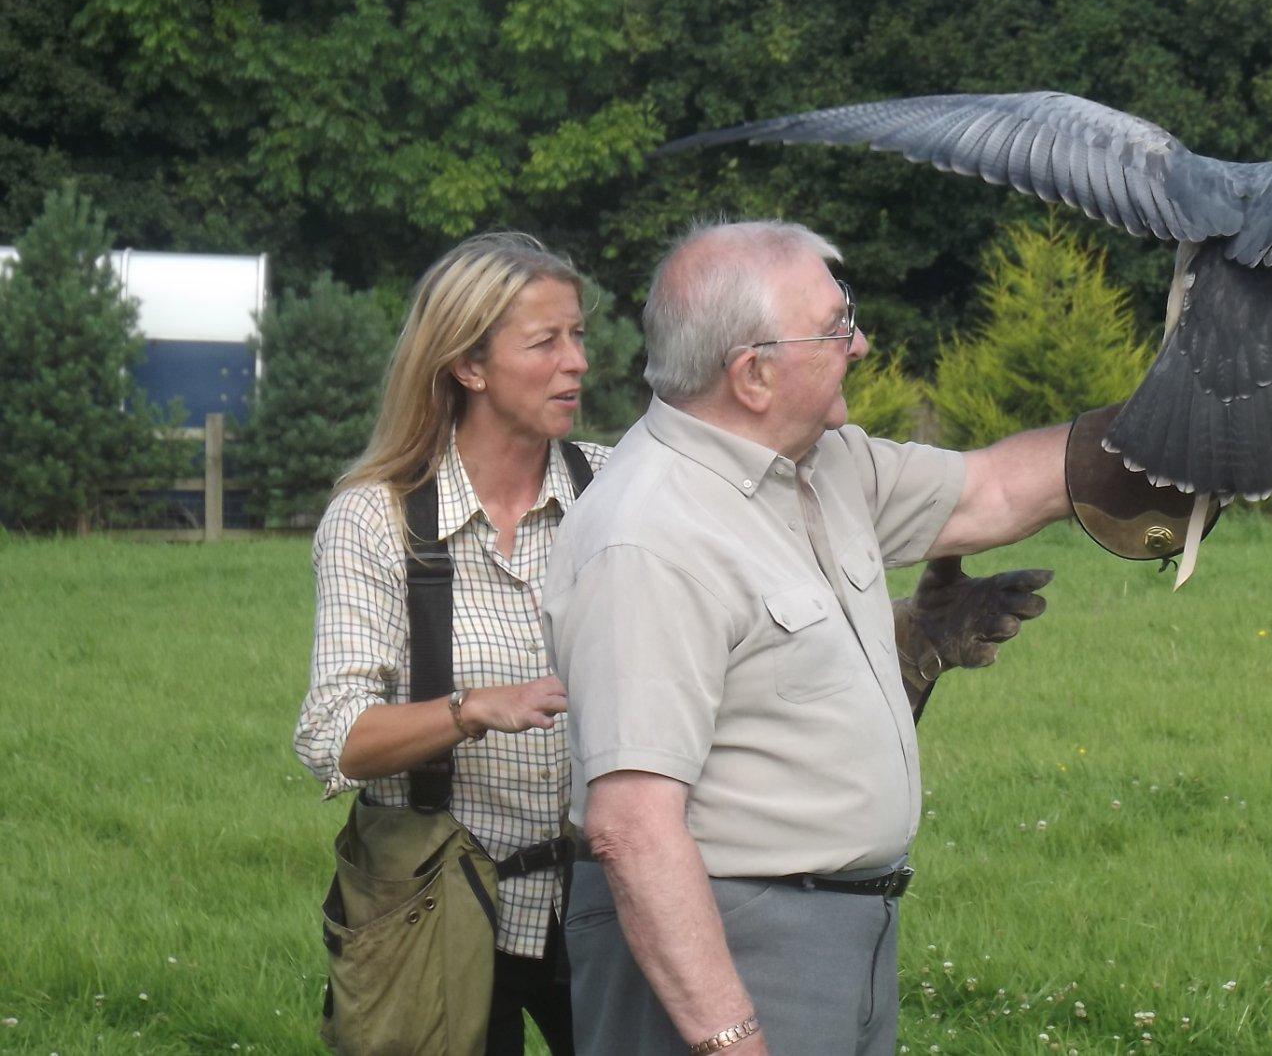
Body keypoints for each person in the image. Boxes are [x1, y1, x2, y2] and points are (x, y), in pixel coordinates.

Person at [296, 231, 1048, 1056]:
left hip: (609, 902)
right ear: (468, 366)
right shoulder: (379, 518)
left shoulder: (616, 482)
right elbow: (335, 736)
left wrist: (902, 643)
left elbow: (741, 675)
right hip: (445, 908)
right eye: (546, 343)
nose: (578, 362)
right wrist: (472, 710)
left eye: (579, 334)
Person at [543, 219, 1079, 1056]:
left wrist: (1190, 422)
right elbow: (632, 827)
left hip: (841, 935)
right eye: (835, 327)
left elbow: (997, 491)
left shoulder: (824, 465)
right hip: (731, 945)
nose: (861, 343)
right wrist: (731, 1038)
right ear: (753, 374)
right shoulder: (649, 535)